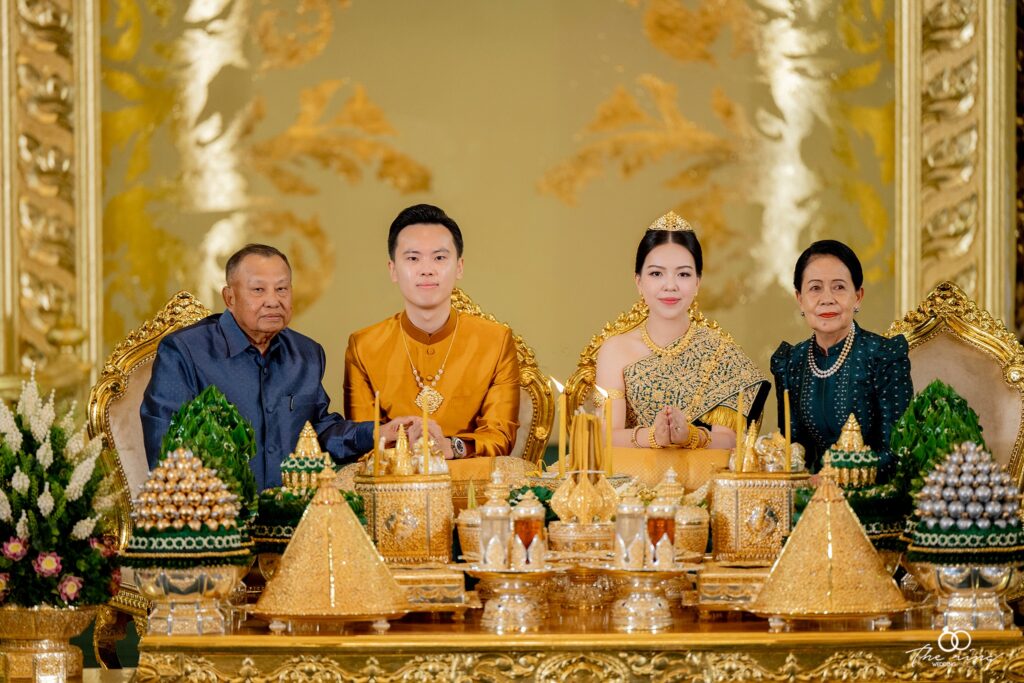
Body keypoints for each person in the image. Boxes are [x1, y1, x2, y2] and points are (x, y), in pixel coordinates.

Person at [141, 244, 406, 490]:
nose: (273, 300)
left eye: (282, 289)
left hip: (291, 513)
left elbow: (318, 431)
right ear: (229, 298)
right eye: (258, 290)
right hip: (218, 516)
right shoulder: (185, 352)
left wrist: (377, 433)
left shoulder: (306, 354)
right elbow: (168, 449)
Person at [344, 204, 520, 459]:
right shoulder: (364, 347)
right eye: (413, 258)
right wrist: (409, 448)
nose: (427, 269)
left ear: (459, 267)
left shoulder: (496, 341)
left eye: (439, 258)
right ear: (393, 269)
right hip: (395, 481)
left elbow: (499, 437)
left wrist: (450, 447)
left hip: (471, 481)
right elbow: (364, 443)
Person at [596, 211, 769, 451]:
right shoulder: (615, 350)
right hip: (631, 473)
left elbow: (730, 440)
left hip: (703, 473)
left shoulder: (720, 354)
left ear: (697, 283)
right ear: (639, 282)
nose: (670, 285)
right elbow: (605, 436)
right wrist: (653, 436)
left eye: (684, 274)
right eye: (656, 273)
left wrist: (690, 436)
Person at [770, 239, 912, 474]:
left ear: (858, 296)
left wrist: (834, 477)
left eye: (839, 287)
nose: (827, 298)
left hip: (872, 491)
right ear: (800, 299)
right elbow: (793, 450)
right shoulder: (791, 363)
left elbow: (897, 452)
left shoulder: (883, 356)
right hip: (810, 492)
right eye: (815, 288)